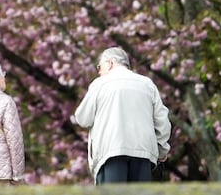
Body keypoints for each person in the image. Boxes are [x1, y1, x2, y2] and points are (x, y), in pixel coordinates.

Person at [73, 46, 171, 184]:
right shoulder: (147, 84)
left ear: (110, 63)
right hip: (143, 154)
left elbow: (82, 118)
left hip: (111, 152)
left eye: (99, 67)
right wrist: (162, 150)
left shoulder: (100, 84)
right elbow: (162, 122)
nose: (99, 72)